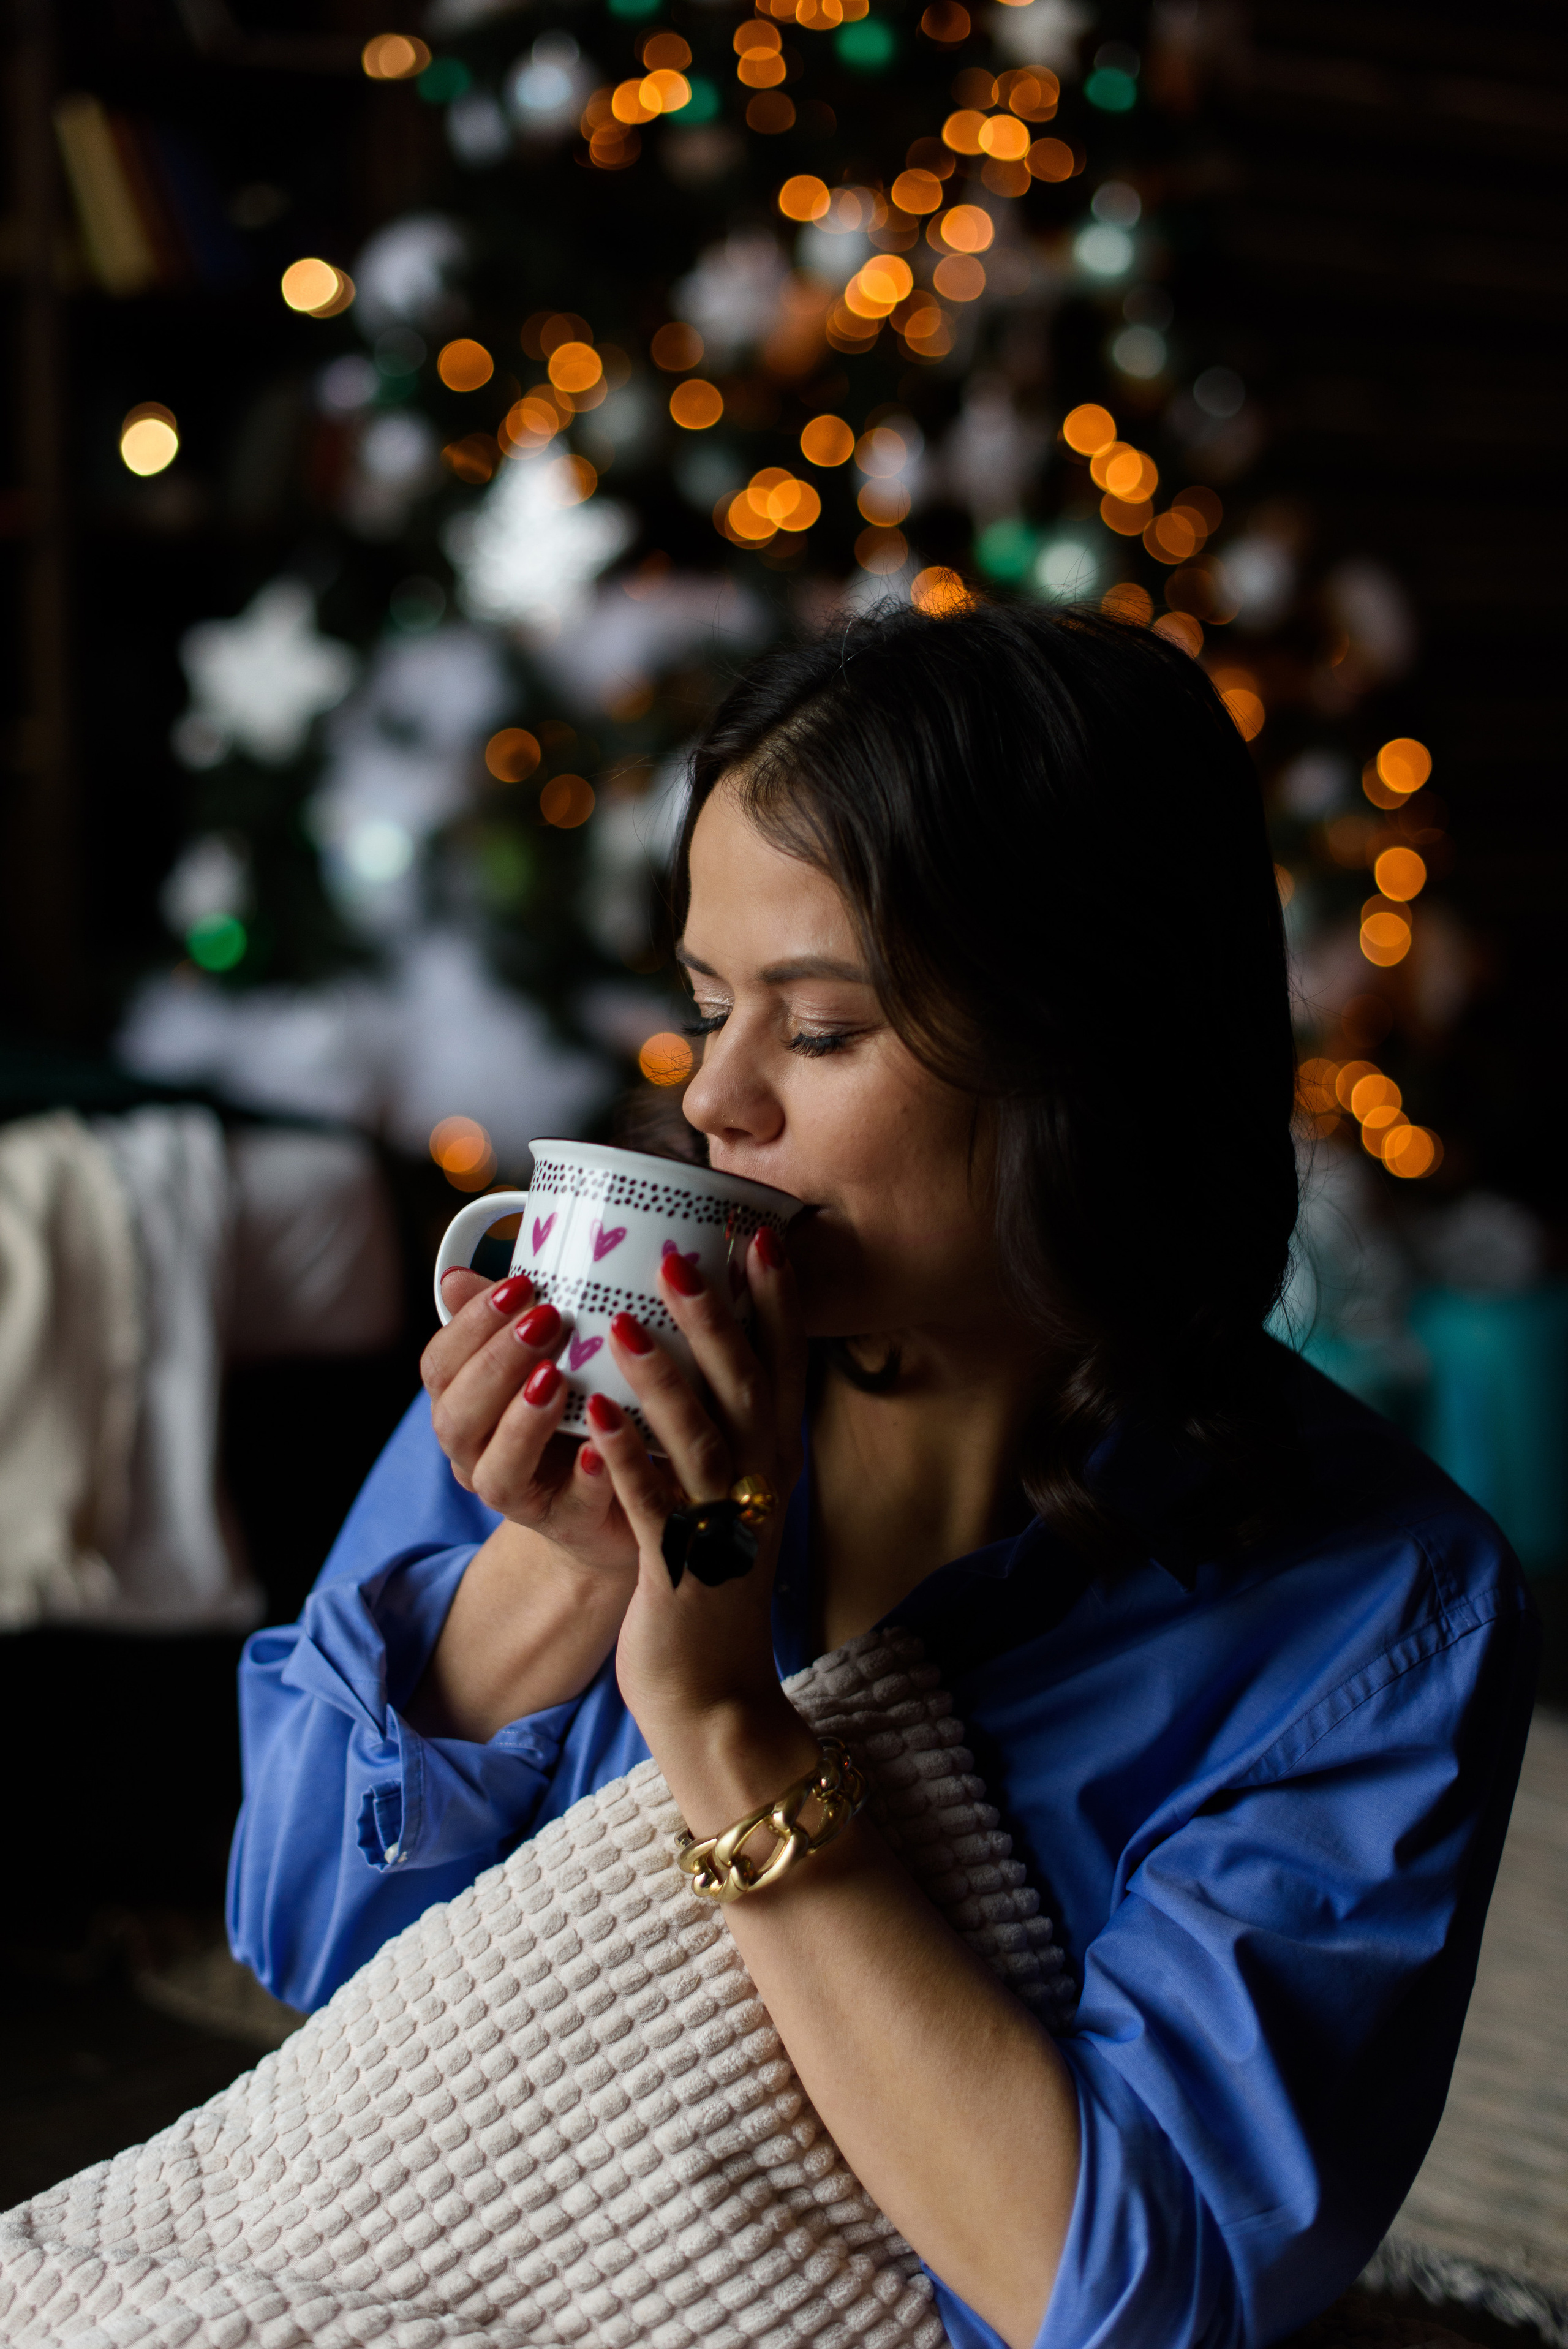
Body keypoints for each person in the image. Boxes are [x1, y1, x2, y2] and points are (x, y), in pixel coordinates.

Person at [228, 601, 1536, 2349]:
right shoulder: (604, 1369)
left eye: (821, 1028)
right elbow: (305, 1944)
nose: (715, 1099)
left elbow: (1130, 2296)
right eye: (708, 1007)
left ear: (1090, 1055)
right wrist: (569, 1571)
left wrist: (719, 1721)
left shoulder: (1374, 1608)